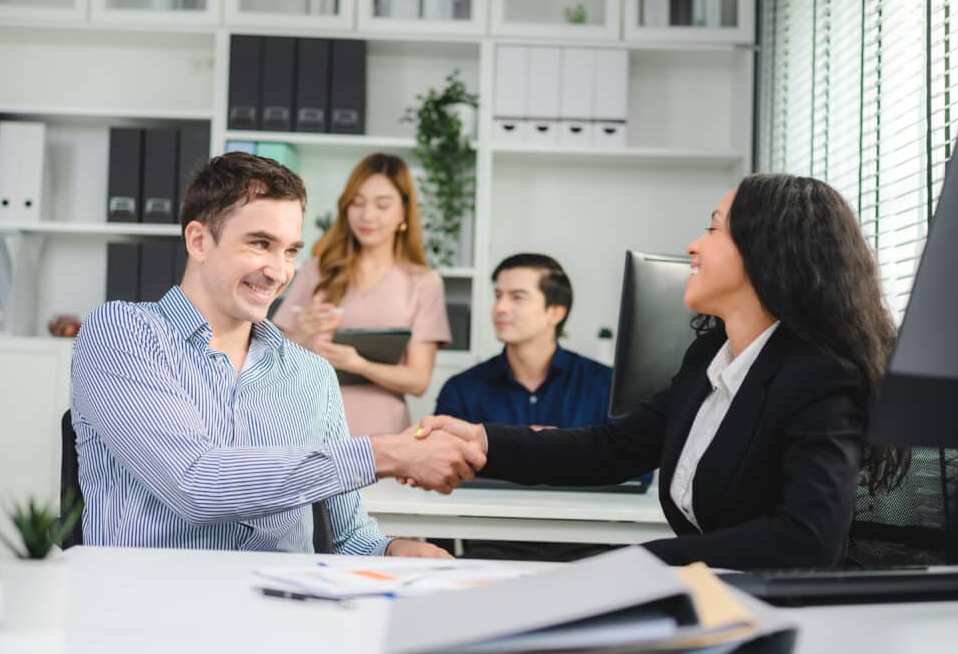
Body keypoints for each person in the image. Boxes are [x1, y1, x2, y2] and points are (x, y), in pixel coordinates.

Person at [415, 173, 908, 570]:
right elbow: (610, 450)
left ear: (767, 253)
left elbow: (806, 540)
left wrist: (638, 564)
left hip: (782, 615)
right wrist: (481, 441)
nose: (693, 245)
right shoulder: (709, 360)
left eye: (714, 228)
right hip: (713, 599)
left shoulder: (822, 376)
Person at [71, 152, 484, 557]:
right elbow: (194, 485)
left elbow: (348, 538)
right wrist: (387, 453)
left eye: (289, 251)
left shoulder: (312, 375)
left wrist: (395, 550)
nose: (279, 272)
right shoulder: (122, 334)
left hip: (284, 608)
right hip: (152, 610)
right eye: (260, 244)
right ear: (198, 241)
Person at [434, 253, 616, 561]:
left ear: (555, 312)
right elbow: (439, 465)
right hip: (492, 546)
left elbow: (634, 469)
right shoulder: (462, 388)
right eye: (498, 296)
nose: (500, 308)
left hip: (589, 544)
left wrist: (519, 448)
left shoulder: (605, 385)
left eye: (517, 297)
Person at [274, 153, 451, 437]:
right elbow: (271, 359)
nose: (367, 215)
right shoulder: (315, 270)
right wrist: (302, 334)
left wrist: (361, 365)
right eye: (357, 202)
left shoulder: (423, 282)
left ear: (404, 212)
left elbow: (418, 380)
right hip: (312, 422)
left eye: (382, 205)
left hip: (383, 430)